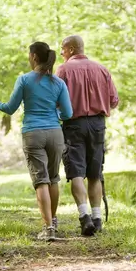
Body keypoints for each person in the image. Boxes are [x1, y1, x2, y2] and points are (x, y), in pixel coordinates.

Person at [0, 42, 73, 241]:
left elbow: (10, 108)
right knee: (53, 179)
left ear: (34, 56)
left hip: (33, 133)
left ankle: (48, 228)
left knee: (41, 181)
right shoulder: (58, 83)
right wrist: (53, 112)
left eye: (29, 55)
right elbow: (68, 113)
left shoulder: (24, 80)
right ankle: (53, 222)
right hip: (55, 132)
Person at [56, 35, 119, 236]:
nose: (61, 53)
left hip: (73, 124)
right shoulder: (102, 69)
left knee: (75, 173)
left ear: (72, 49)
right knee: (94, 173)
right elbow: (114, 101)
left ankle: (84, 217)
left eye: (63, 49)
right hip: (98, 124)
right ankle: (97, 218)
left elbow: (55, 98)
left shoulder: (64, 69)